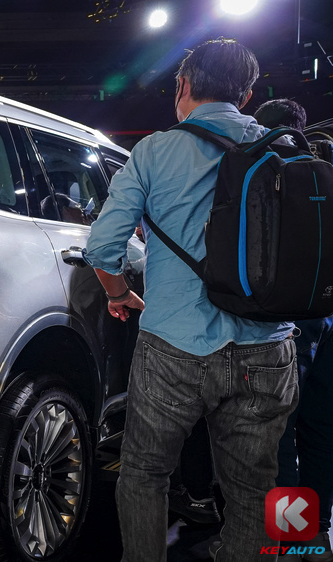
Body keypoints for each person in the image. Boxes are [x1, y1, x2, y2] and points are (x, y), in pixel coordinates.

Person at [85, 39, 298, 562]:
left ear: (182, 85)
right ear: (246, 96)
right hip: (267, 346)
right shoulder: (284, 150)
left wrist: (120, 294)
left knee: (144, 472)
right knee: (254, 490)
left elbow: (103, 247)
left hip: (173, 345)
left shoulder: (154, 151)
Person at [254, 98, 333, 562]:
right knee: (321, 427)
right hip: (328, 314)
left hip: (285, 320)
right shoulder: (325, 168)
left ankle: (289, 539)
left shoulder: (263, 171)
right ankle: (317, 534)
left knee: (280, 431)